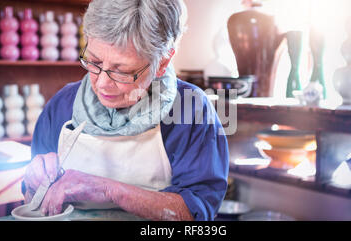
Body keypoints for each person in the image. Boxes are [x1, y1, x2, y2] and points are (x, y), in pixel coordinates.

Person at [22, 0, 229, 221]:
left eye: (122, 72)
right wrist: (35, 184)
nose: (102, 83)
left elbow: (195, 213)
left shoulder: (190, 109)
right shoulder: (62, 105)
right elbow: (30, 199)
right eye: (94, 61)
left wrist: (109, 190)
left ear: (162, 62)